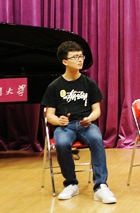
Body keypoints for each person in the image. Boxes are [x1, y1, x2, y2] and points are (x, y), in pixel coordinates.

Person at [41, 41, 117, 203]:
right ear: (65, 61)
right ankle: (71, 183)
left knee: (96, 139)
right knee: (62, 143)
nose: (80, 60)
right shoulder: (54, 86)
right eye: (75, 57)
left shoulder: (89, 83)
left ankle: (100, 186)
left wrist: (90, 118)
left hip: (86, 125)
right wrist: (58, 120)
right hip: (65, 126)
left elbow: (97, 110)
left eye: (81, 56)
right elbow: (49, 115)